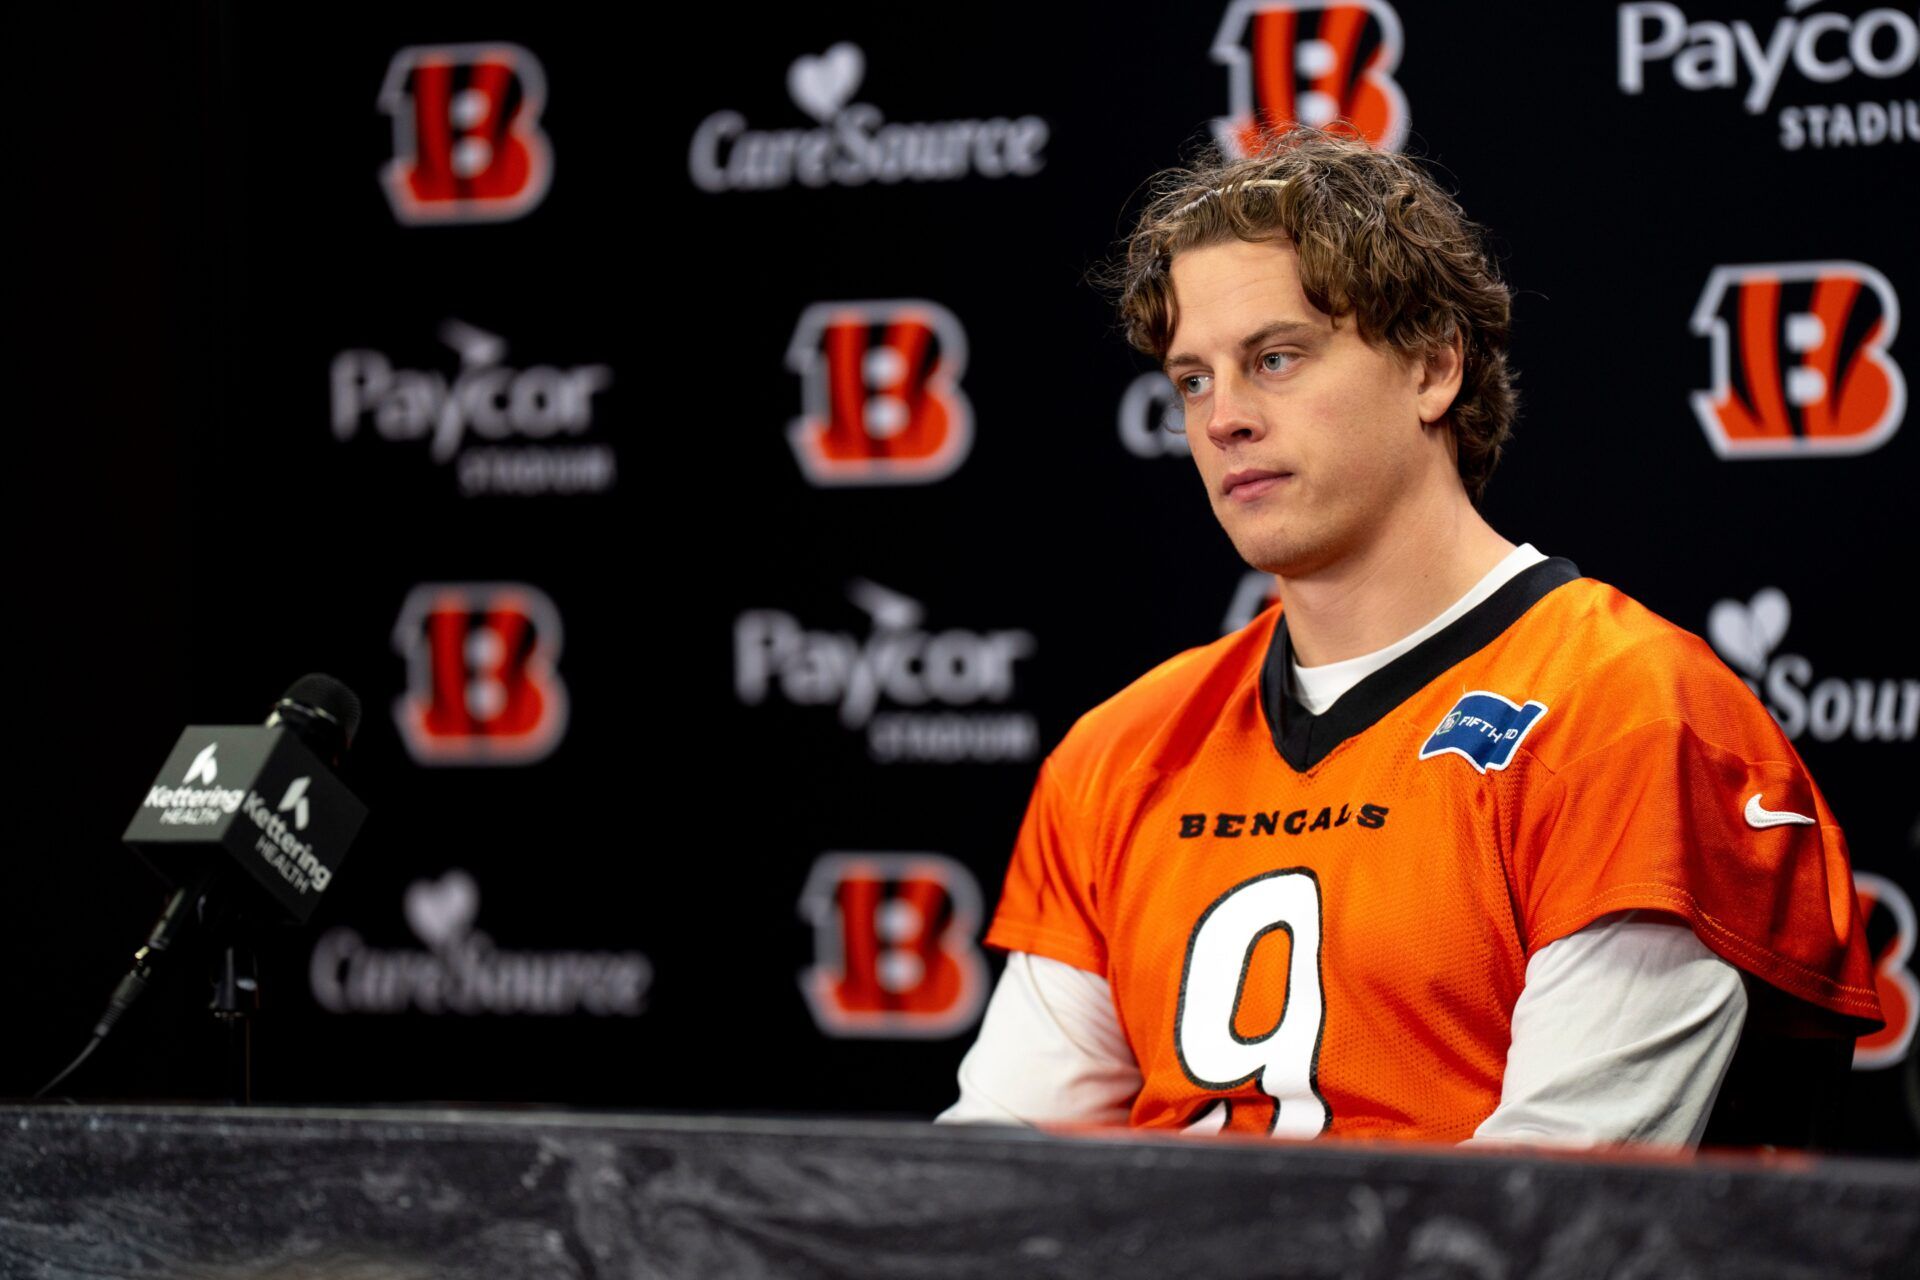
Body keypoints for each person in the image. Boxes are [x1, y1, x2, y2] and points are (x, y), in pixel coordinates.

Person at [936, 127, 1882, 1146]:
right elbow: (994, 1173)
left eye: (1275, 358)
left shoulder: (1626, 714)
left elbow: (1553, 1203)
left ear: (1433, 367)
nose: (1222, 420)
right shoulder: (1120, 749)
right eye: (1194, 379)